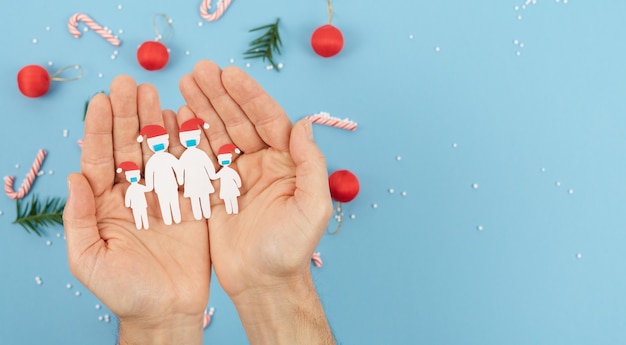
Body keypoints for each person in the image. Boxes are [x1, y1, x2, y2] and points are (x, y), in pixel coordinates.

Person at [63, 60, 336, 345]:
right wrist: (155, 322)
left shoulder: (178, 158)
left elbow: (197, 170)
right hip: (170, 193)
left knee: (205, 204)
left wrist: (275, 282)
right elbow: (161, 176)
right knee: (171, 208)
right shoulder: (160, 161)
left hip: (199, 187)